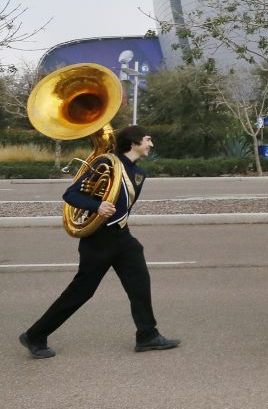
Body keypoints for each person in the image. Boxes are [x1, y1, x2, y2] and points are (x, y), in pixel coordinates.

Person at [19, 125, 180, 359]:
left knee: (140, 283)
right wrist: (97, 205)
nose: (151, 144)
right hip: (98, 240)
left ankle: (147, 335)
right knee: (81, 292)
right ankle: (35, 335)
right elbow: (71, 194)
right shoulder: (104, 163)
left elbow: (124, 206)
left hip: (122, 238)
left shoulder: (139, 173)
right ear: (133, 142)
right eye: (147, 139)